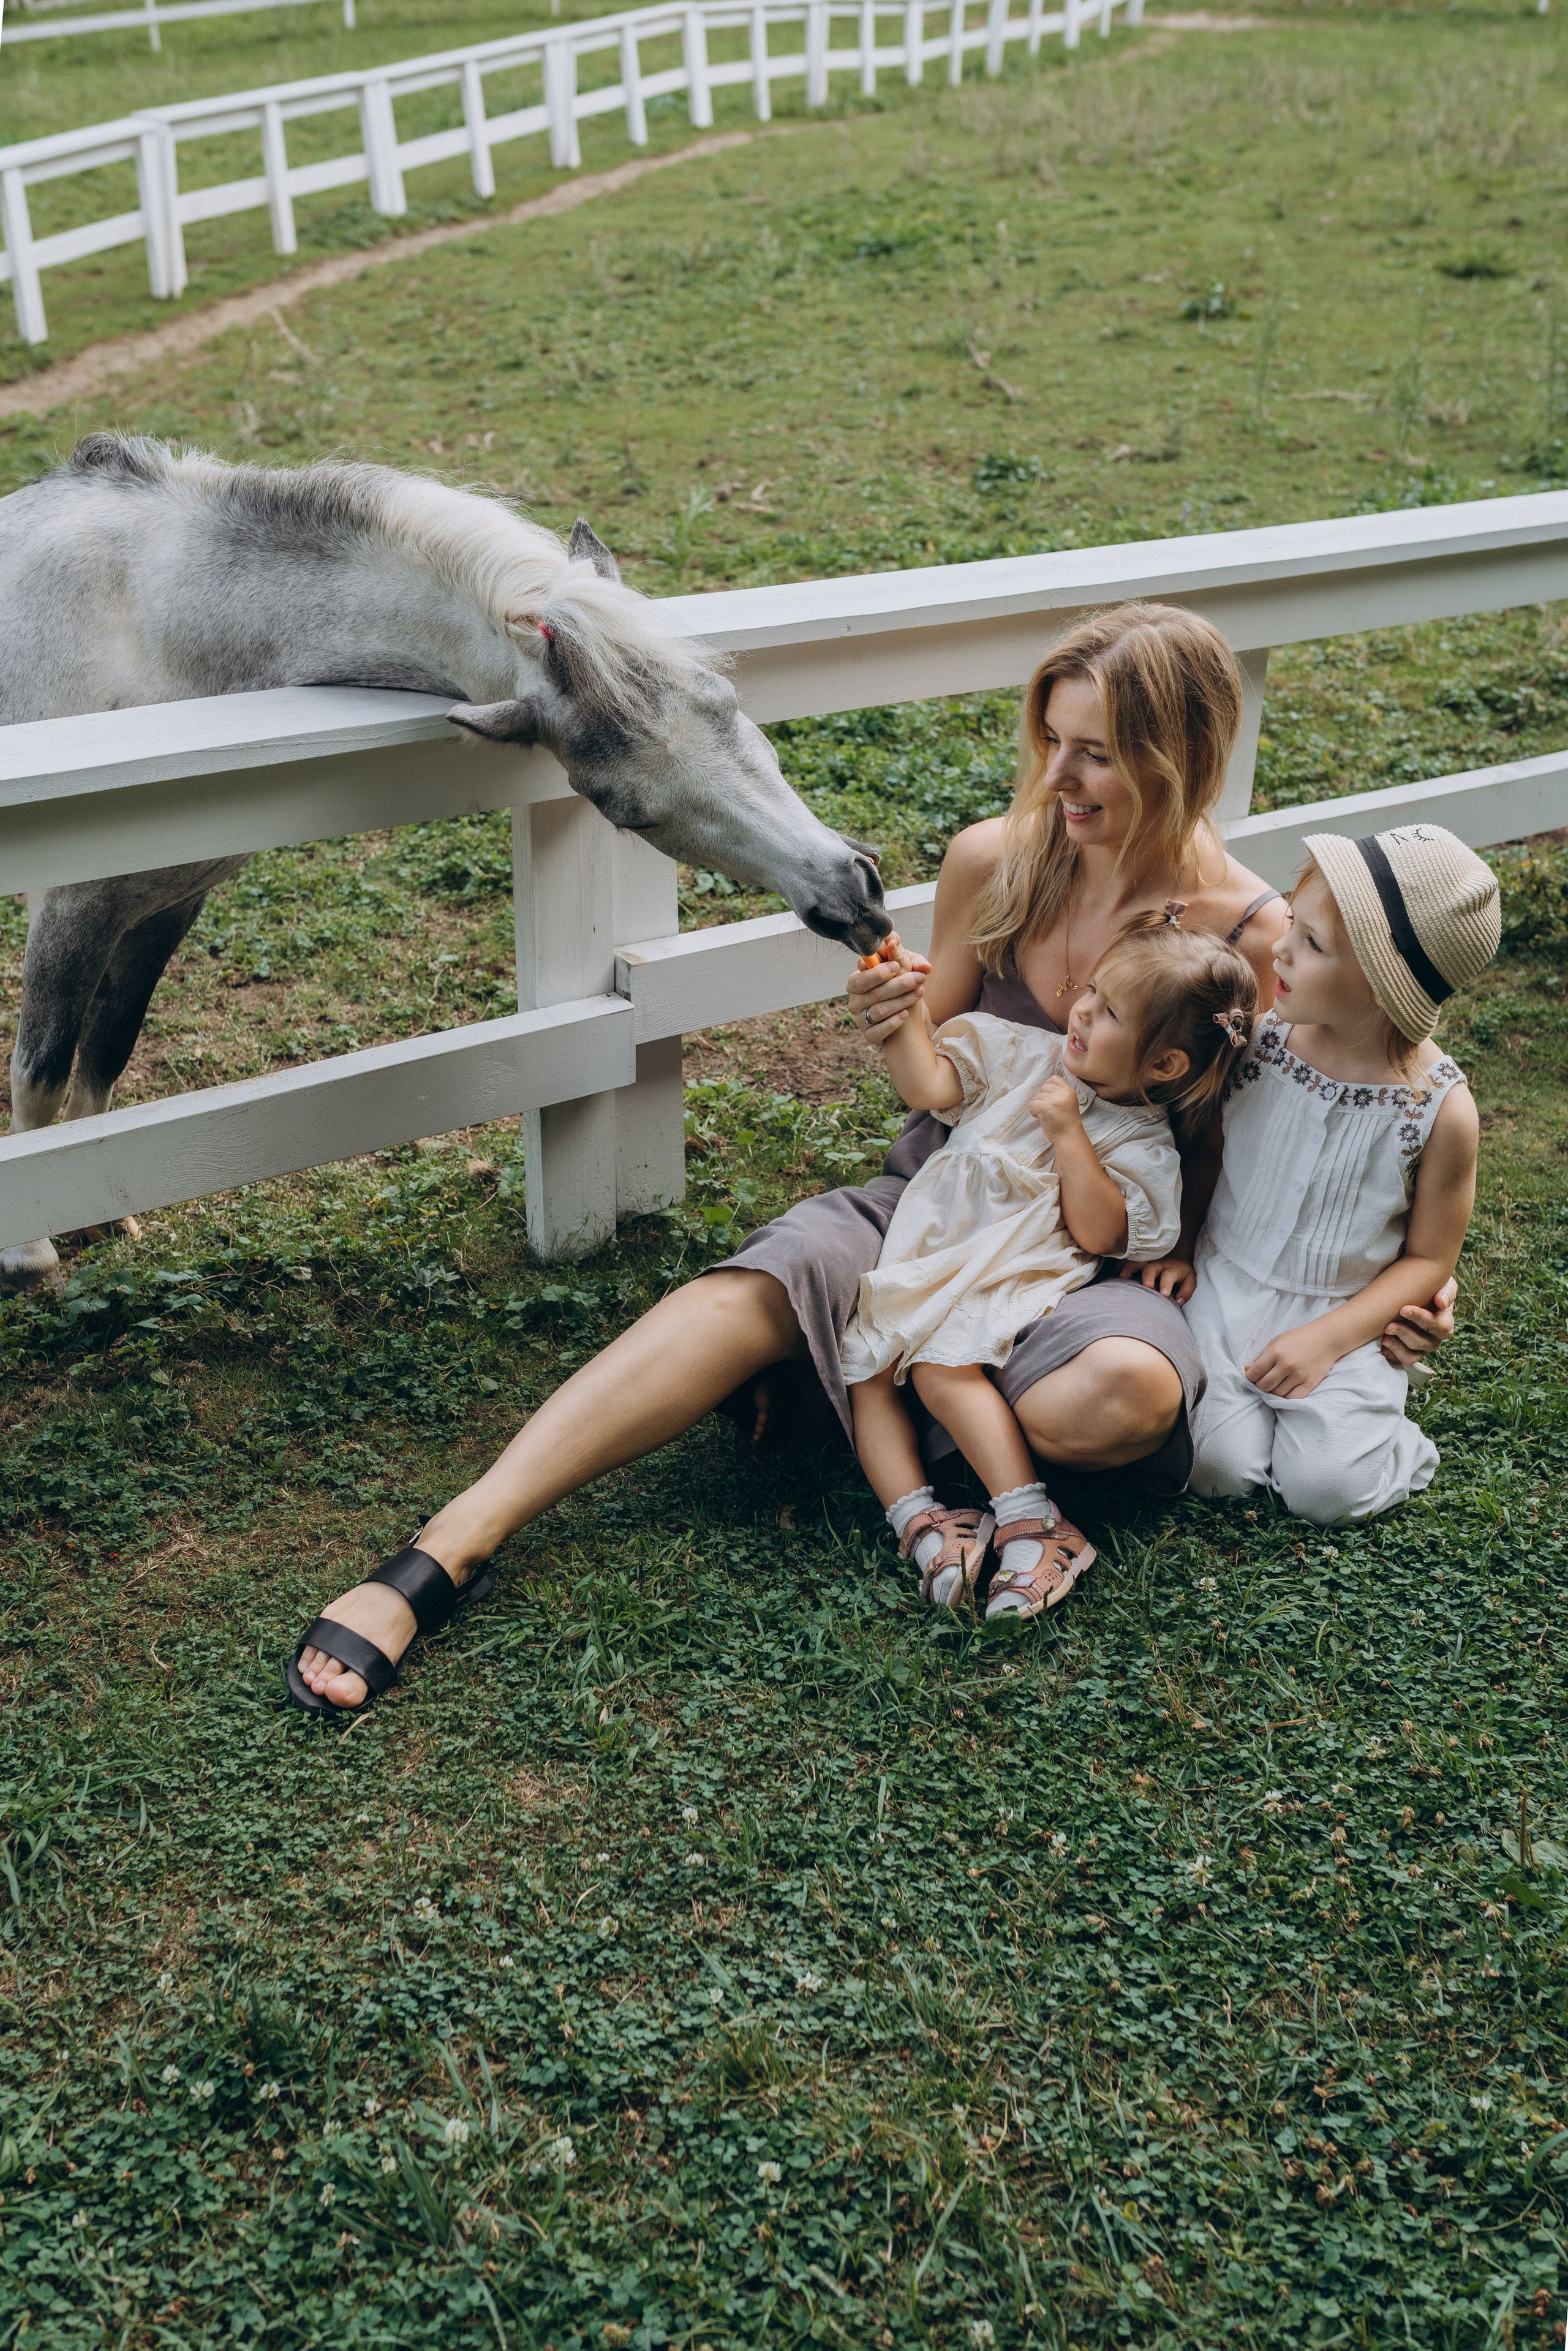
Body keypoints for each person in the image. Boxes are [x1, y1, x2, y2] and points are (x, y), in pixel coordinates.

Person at [285, 601, 1453, 1717]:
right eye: (1049, 739)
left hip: (1094, 1267)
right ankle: (445, 1550)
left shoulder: (1254, 938)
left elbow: (1374, 1093)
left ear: (1180, 754)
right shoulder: (996, 859)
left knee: (1135, 1393)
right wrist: (896, 1017)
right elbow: (938, 1067)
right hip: (939, 1202)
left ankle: (836, 1391)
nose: (1057, 777)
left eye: (1095, 753)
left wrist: (1420, 1280)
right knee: (750, 1290)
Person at [845, 911, 1256, 1621]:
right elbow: (930, 1088)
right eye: (1091, 991)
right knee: (867, 1371)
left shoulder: (1138, 1139)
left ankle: (1032, 1518)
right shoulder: (1020, 1054)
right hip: (931, 1253)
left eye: (1111, 1012)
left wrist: (1069, 1133)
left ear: (1164, 1065)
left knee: (944, 1368)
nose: (1085, 1011)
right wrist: (907, 1012)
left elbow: (1099, 1232)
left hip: (1012, 1272)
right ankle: (920, 1523)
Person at [1169, 823, 1496, 1524]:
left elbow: (1430, 1258)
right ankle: (1253, 1431)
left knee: (1327, 1492)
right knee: (1216, 1467)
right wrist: (1178, 1247)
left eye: (1312, 944)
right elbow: (1206, 1154)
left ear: (1384, 987)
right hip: (1227, 1286)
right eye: (1293, 921)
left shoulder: (1438, 1110)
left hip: (1344, 1316)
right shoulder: (1259, 1044)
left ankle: (1389, 1445)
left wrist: (1329, 1339)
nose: (1279, 948)